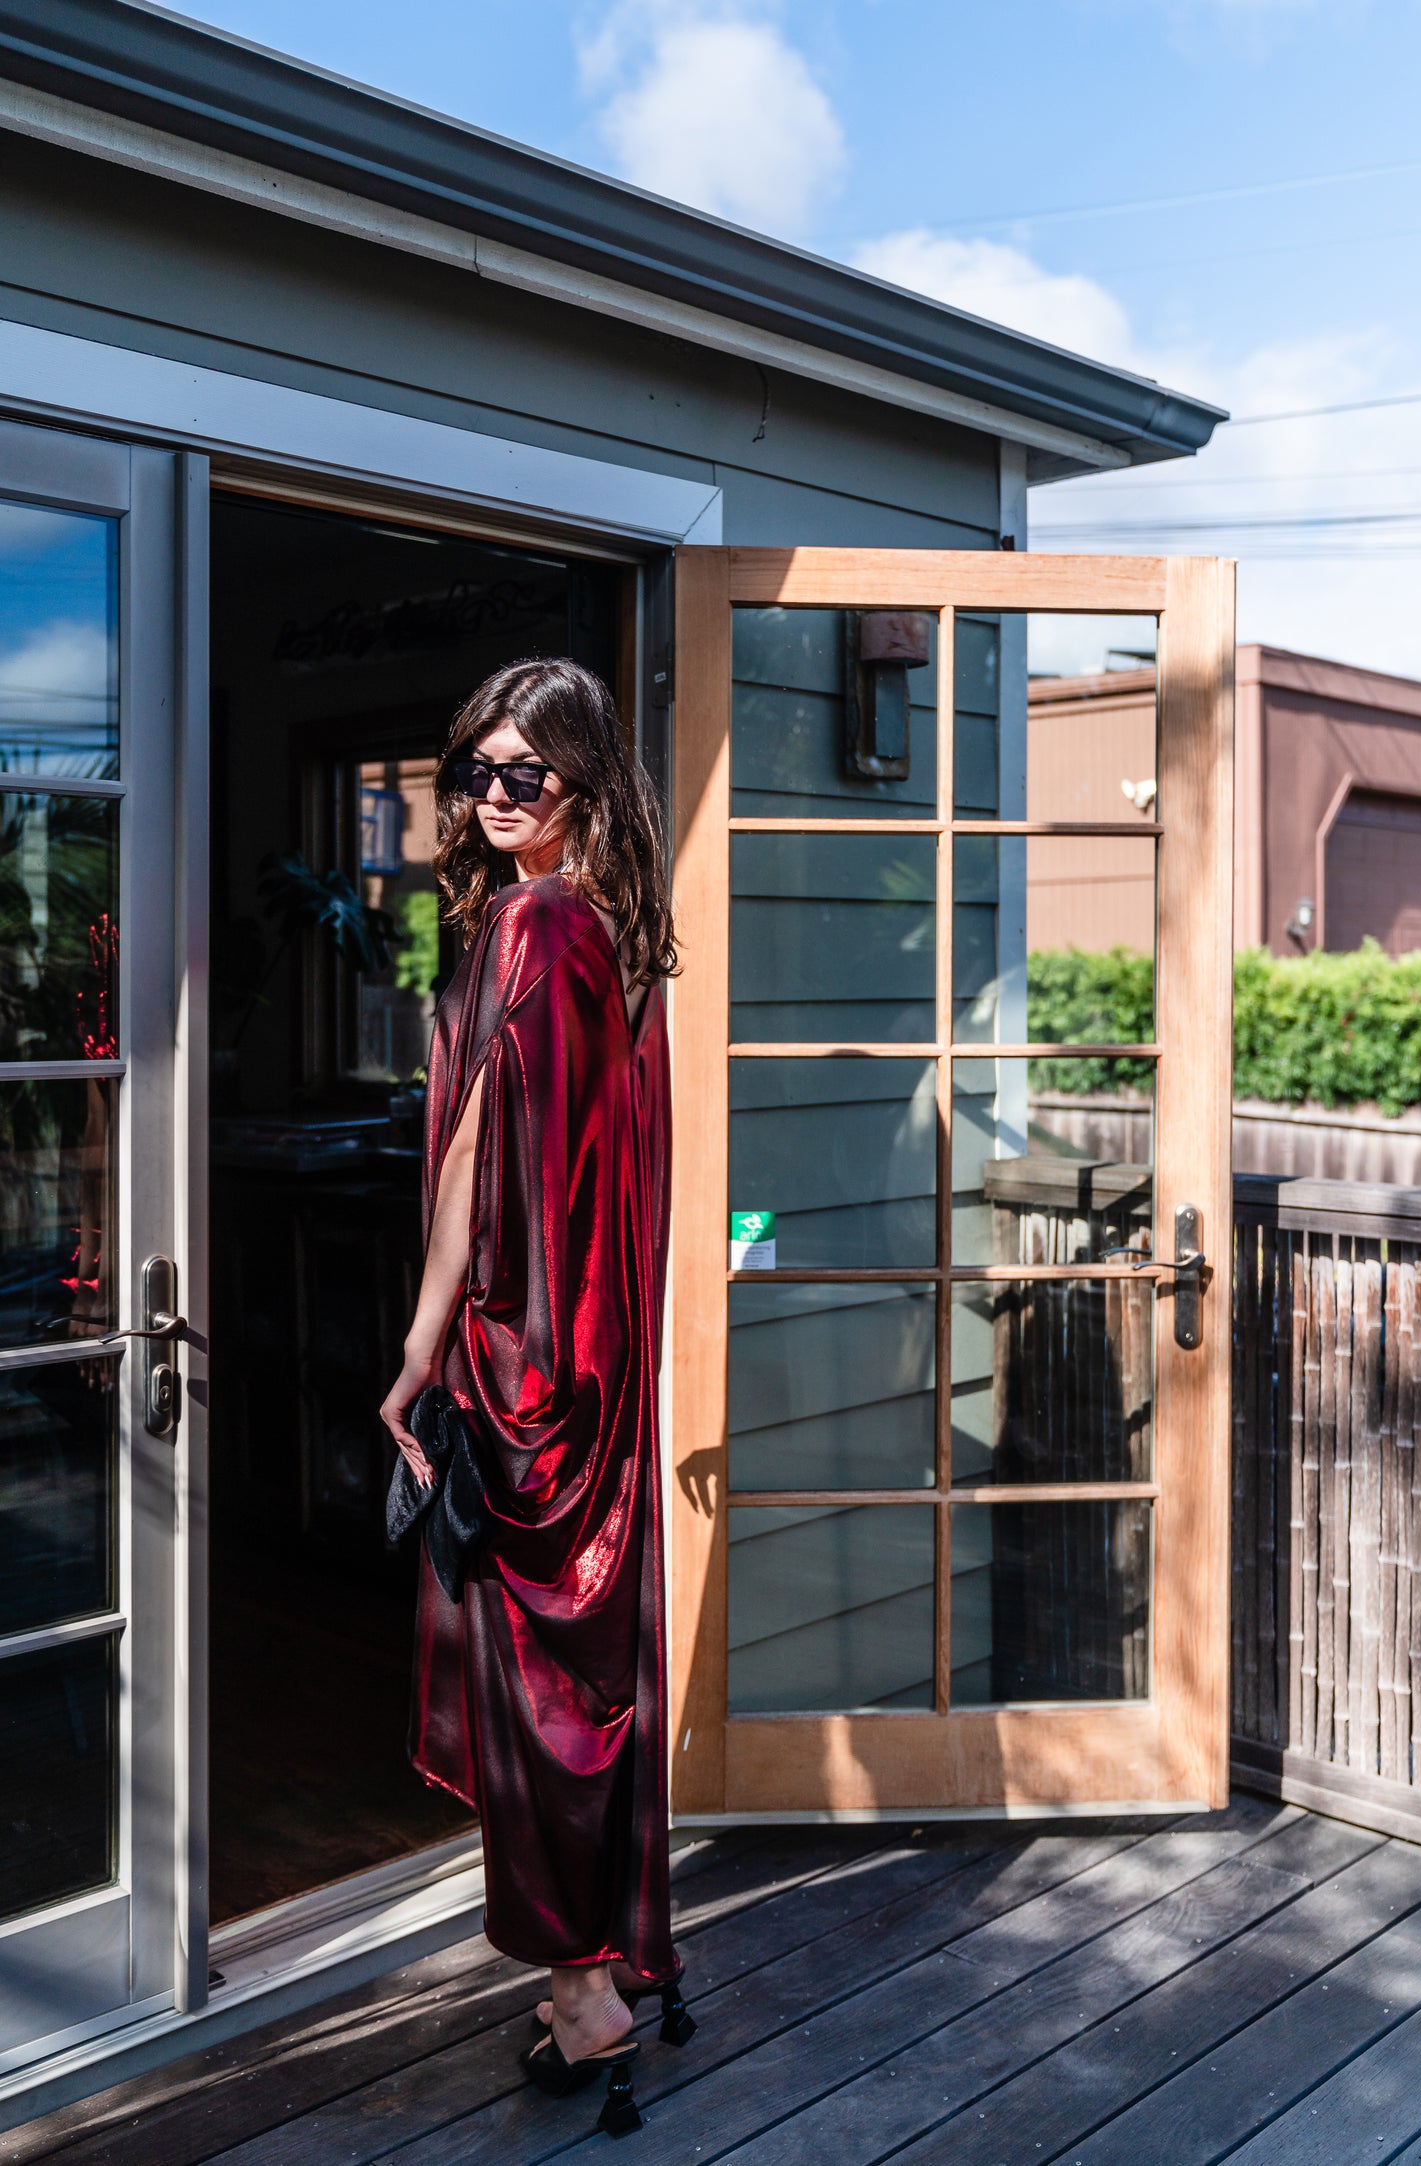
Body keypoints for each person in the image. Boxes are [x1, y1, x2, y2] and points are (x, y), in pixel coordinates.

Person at [379, 658, 688, 2132]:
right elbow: (531, 1152)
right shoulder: (610, 928)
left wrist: (437, 1345)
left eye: (527, 774)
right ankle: (612, 1951)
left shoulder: (533, 923)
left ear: (582, 784)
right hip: (590, 1364)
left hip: (534, 1370)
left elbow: (479, 1169)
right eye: (477, 772)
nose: (497, 795)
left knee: (535, 1685)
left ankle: (583, 1991)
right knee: (585, 1669)